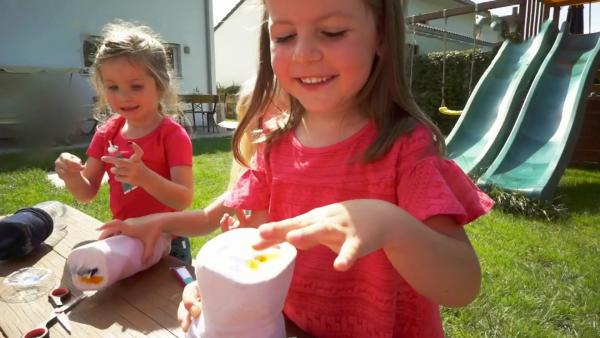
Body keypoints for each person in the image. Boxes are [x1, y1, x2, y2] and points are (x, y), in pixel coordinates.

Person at [98, 0, 494, 336]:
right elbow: (255, 247)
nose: (303, 53)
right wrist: (214, 286)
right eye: (284, 36)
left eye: (333, 31)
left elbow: (462, 285)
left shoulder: (407, 149)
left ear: (382, 39)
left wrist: (390, 224)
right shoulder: (272, 147)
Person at [54, 20, 194, 264]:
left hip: (168, 241)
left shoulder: (171, 135)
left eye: (136, 86)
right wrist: (72, 176)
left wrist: (144, 177)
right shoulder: (107, 133)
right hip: (124, 237)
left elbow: (183, 198)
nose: (123, 96)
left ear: (160, 85)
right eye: (113, 87)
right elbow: (87, 192)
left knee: (163, 300)